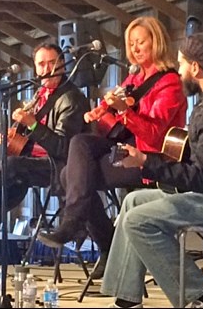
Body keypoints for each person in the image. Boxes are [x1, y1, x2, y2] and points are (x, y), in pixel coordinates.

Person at [98, 32, 203, 308]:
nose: (178, 70)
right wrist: (147, 157)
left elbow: (200, 178)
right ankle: (126, 300)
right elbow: (198, 158)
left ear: (196, 68)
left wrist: (145, 162)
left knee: (139, 221)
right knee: (132, 201)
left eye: (182, 63)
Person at [38, 16, 188, 279]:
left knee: (69, 176)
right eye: (131, 43)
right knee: (80, 143)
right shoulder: (133, 79)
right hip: (126, 148)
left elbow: (154, 135)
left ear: (157, 42)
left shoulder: (169, 83)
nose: (136, 48)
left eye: (141, 42)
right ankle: (90, 235)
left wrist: (124, 112)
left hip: (150, 159)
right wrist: (103, 113)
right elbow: (116, 125)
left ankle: (93, 236)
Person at [0, 42, 90, 286]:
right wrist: (14, 138)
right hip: (30, 165)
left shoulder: (71, 98)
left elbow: (64, 148)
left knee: (9, 167)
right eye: (41, 64)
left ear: (62, 64)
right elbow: (32, 137)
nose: (46, 69)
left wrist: (32, 125)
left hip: (60, 169)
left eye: (51, 63)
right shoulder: (39, 95)